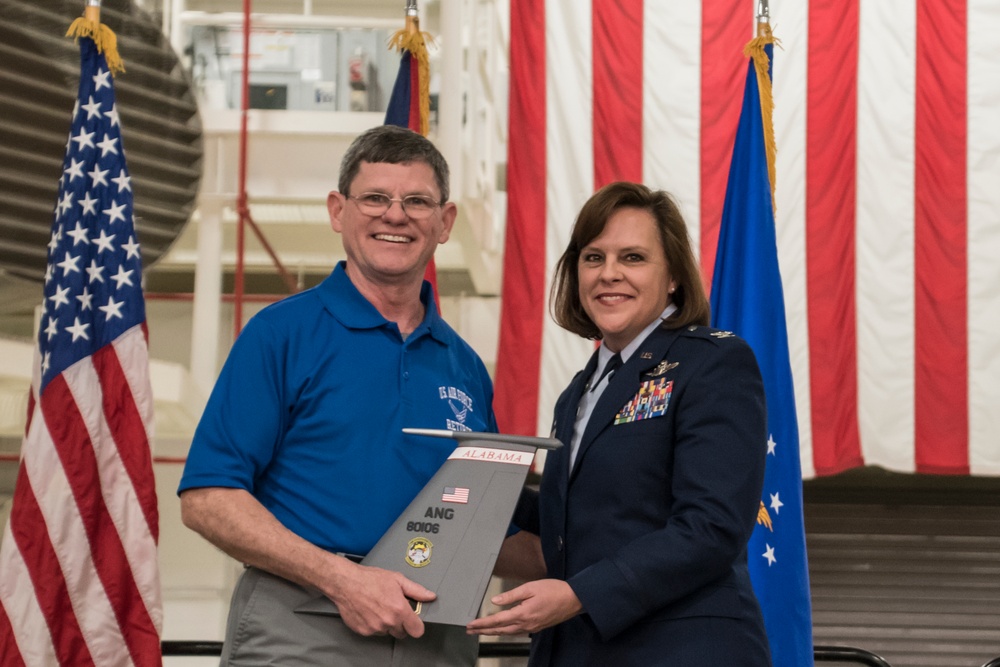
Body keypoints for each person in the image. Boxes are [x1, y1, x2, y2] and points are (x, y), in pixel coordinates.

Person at [178, 124, 497, 666]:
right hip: (304, 623)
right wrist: (343, 580)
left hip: (435, 634)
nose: (395, 215)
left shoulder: (464, 365)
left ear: (444, 223)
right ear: (337, 211)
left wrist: (605, 564)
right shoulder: (280, 334)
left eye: (417, 201)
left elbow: (486, 524)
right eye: (375, 197)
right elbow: (208, 499)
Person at [467, 181, 773, 666]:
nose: (609, 274)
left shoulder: (714, 363)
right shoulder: (579, 392)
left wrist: (578, 595)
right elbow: (581, 519)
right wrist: (473, 483)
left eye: (632, 258)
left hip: (683, 650)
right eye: (593, 258)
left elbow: (711, 526)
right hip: (580, 650)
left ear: (672, 275)